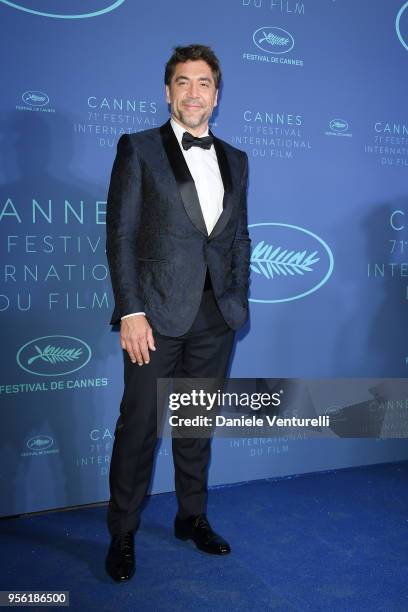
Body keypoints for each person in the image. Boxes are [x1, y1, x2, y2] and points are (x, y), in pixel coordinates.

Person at [105, 44, 250, 582]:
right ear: (168, 92)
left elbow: (239, 238)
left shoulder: (235, 158)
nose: (194, 93)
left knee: (194, 425)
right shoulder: (140, 149)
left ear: (216, 94)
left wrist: (237, 296)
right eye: (184, 83)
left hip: (217, 317)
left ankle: (192, 517)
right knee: (139, 427)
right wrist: (131, 311)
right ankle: (122, 531)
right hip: (155, 315)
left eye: (205, 83)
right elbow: (119, 237)